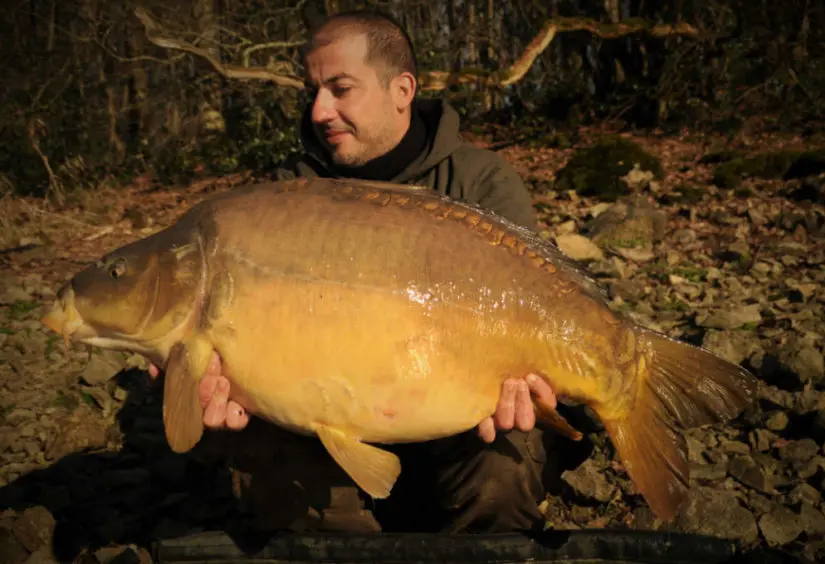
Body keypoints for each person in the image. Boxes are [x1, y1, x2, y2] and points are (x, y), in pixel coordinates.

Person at [148, 9, 589, 535]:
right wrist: (214, 393)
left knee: (504, 471)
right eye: (312, 91)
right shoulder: (285, 196)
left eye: (340, 89)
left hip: (461, 422)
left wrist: (534, 386)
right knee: (274, 470)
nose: (319, 111)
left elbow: (540, 308)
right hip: (323, 433)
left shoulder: (479, 181)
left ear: (402, 90)